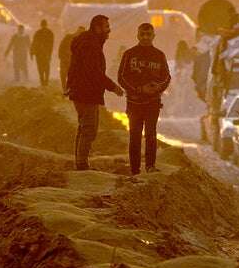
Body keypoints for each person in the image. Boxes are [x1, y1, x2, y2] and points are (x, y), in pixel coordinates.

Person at [66, 15, 123, 170]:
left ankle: (80, 161)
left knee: (84, 127)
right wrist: (113, 87)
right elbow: (95, 73)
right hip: (86, 92)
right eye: (106, 27)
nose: (108, 30)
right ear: (97, 28)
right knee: (89, 129)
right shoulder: (90, 46)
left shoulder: (88, 43)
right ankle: (82, 164)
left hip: (81, 90)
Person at [117, 22, 171, 175]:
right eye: (142, 34)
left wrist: (157, 87)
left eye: (148, 34)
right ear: (137, 35)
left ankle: (150, 166)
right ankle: (135, 169)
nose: (145, 37)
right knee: (134, 136)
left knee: (151, 135)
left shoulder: (159, 55)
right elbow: (121, 77)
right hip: (134, 103)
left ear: (153, 36)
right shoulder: (129, 54)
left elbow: (167, 77)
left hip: (153, 103)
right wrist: (139, 89)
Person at [30, 19, 55, 87]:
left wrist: (31, 53)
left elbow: (33, 43)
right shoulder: (50, 33)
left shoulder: (38, 33)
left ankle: (43, 82)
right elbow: (51, 45)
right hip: (44, 54)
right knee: (46, 68)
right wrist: (50, 54)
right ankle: (45, 82)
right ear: (46, 25)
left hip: (40, 54)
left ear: (41, 25)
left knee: (41, 68)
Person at [58, 25, 84, 90]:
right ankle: (65, 89)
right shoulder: (68, 37)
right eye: (80, 32)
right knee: (64, 75)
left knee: (70, 76)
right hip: (65, 60)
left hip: (72, 62)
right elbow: (61, 47)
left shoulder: (82, 41)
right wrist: (61, 56)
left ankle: (69, 89)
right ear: (77, 31)